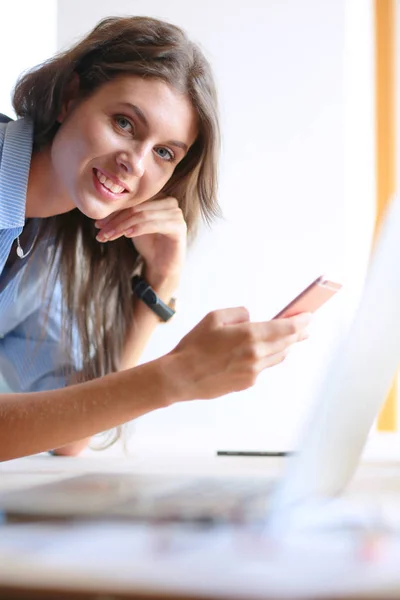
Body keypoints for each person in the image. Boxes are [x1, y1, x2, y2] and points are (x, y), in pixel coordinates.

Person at [0, 15, 311, 461]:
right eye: (125, 123)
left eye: (164, 152)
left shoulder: (48, 239)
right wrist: (175, 378)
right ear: (70, 97)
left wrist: (160, 280)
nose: (136, 163)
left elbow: (70, 434)